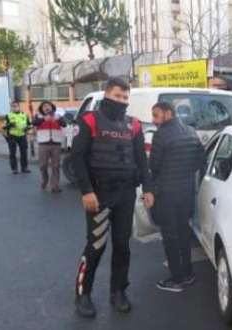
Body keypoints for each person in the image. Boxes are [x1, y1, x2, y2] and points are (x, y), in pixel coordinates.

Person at [71, 77, 154, 318]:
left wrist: (148, 189)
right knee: (96, 246)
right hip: (98, 195)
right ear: (107, 94)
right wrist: (86, 190)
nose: (122, 101)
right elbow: (77, 158)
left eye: (125, 97)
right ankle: (83, 295)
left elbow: (142, 161)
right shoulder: (88, 120)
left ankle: (118, 291)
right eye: (118, 96)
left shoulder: (134, 125)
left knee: (122, 246)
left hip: (126, 194)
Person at [149, 102, 205, 292]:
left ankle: (176, 279)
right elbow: (200, 159)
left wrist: (148, 192)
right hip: (186, 192)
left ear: (169, 113)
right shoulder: (190, 131)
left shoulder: (161, 135)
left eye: (156, 116)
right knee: (183, 233)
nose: (153, 120)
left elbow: (154, 167)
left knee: (169, 236)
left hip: (166, 194)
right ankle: (188, 273)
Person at [32, 101, 67, 193]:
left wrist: (58, 119)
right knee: (43, 165)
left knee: (55, 166)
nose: (47, 108)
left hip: (56, 143)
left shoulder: (58, 116)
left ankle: (54, 185)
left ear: (52, 107)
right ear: (42, 108)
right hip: (43, 143)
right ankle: (44, 180)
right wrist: (44, 119)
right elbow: (34, 123)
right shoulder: (38, 116)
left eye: (48, 106)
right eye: (44, 106)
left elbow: (64, 124)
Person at [3, 102, 32, 174]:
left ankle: (24, 168)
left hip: (22, 135)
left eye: (15, 106)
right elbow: (4, 127)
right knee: (12, 153)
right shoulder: (8, 116)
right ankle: (14, 168)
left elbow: (30, 125)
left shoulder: (25, 115)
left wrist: (27, 128)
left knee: (24, 152)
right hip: (12, 136)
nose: (14, 108)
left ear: (19, 107)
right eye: (12, 107)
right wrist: (10, 124)